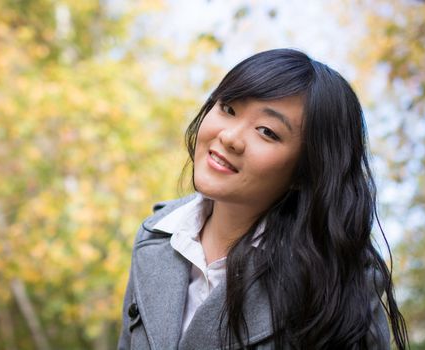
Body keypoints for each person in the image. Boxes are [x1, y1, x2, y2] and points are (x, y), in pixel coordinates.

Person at [118, 48, 408, 349]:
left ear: (305, 171)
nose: (230, 137)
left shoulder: (339, 280)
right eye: (228, 109)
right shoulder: (155, 239)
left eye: (267, 131)